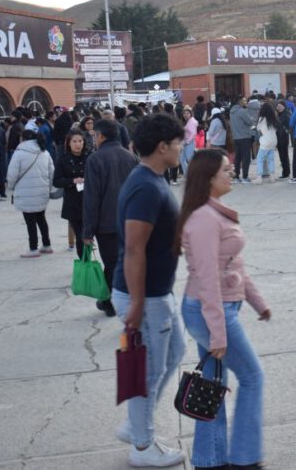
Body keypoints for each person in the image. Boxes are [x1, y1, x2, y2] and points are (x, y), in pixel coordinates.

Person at [179, 149, 271, 470]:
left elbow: (234, 267)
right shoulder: (204, 218)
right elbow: (207, 278)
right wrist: (217, 331)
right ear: (208, 178)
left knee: (213, 383)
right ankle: (244, 458)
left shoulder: (213, 213)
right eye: (226, 170)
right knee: (252, 377)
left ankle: (210, 459)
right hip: (209, 310)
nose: (231, 174)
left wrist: (257, 302)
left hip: (216, 308)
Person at [110, 114, 187, 467]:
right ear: (162, 146)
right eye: (178, 142)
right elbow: (135, 248)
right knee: (148, 370)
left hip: (158, 291)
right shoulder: (144, 186)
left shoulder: (152, 180)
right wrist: (137, 303)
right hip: (146, 295)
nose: (181, 147)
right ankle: (143, 446)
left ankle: (134, 423)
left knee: (173, 354)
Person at [83, 119, 139, 317]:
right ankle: (122, 300)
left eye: (95, 136)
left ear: (101, 136)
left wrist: (87, 230)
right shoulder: (130, 157)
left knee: (112, 265)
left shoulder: (95, 159)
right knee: (126, 262)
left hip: (106, 224)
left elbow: (92, 197)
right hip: (130, 221)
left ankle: (111, 302)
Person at [7, 129, 55, 258]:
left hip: (25, 192)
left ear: (22, 138)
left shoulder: (19, 153)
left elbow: (12, 174)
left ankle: (33, 248)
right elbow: (52, 172)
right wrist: (48, 188)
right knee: (41, 218)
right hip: (42, 191)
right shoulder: (44, 152)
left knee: (30, 221)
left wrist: (11, 187)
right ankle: (47, 245)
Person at [53, 129, 88, 256]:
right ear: (68, 143)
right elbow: (56, 181)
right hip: (73, 202)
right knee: (80, 236)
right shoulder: (63, 159)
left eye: (80, 141)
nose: (78, 144)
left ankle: (88, 260)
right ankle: (84, 263)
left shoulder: (90, 157)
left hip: (89, 201)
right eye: (74, 141)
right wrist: (73, 180)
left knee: (88, 236)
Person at [229, 97, 255, 184]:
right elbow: (250, 122)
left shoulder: (232, 112)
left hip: (236, 137)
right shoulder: (242, 111)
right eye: (244, 100)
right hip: (244, 137)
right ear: (240, 102)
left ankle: (236, 177)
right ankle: (245, 177)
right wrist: (252, 118)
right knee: (246, 158)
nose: (246, 102)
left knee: (238, 158)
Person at [252, 102, 278, 184]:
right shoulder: (274, 118)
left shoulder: (262, 118)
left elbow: (258, 128)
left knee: (260, 159)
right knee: (271, 159)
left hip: (265, 141)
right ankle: (272, 176)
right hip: (273, 140)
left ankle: (259, 177)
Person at [181, 107, 198, 178]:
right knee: (182, 159)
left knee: (189, 159)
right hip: (185, 142)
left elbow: (193, 133)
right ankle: (188, 175)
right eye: (184, 113)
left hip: (189, 142)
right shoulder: (188, 121)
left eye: (187, 113)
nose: (185, 115)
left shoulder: (191, 121)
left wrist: (187, 142)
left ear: (191, 114)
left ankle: (193, 175)